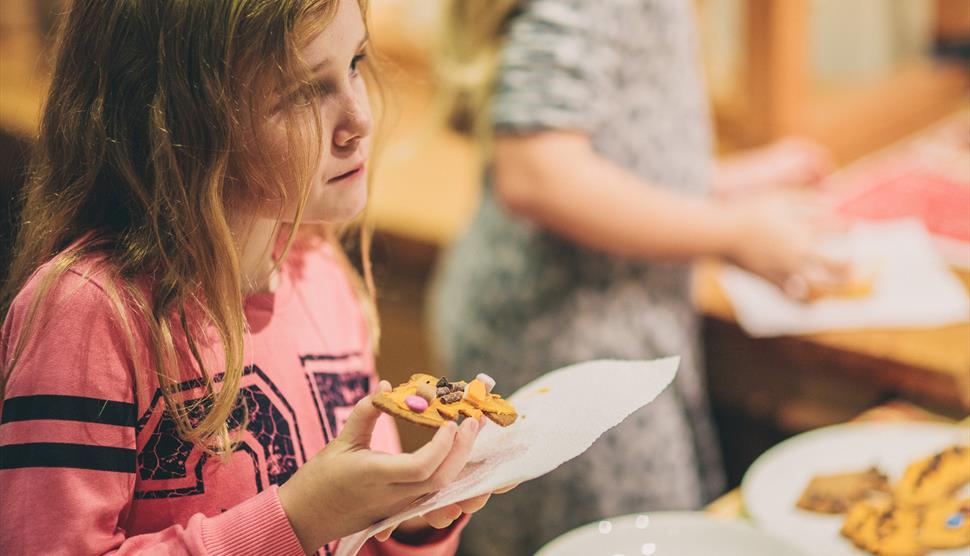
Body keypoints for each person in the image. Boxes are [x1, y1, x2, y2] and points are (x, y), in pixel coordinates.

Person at [0, 1, 504, 554]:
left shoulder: (322, 277)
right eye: (307, 91)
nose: (359, 120)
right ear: (181, 119)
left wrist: (410, 519)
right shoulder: (89, 313)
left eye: (356, 62)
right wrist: (298, 518)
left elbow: (353, 533)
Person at [430, 1, 849, 554]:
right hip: (568, 334)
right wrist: (733, 232)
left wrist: (725, 185)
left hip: (596, 320)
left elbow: (601, 147)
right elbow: (535, 171)